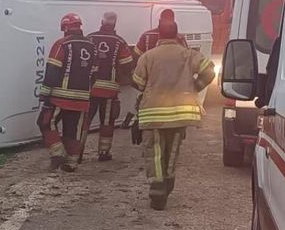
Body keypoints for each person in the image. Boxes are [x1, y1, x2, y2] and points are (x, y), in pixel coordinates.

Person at [132, 20, 215, 210]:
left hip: (153, 112)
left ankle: (157, 188)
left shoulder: (148, 56)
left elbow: (138, 81)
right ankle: (168, 183)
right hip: (180, 112)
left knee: (155, 150)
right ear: (177, 35)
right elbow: (209, 71)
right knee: (173, 149)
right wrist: (196, 86)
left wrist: (149, 87)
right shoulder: (188, 55)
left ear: (159, 35)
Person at [37, 13, 97, 172]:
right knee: (73, 130)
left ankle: (58, 153)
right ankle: (71, 163)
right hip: (83, 99)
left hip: (59, 97)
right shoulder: (92, 46)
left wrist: (44, 93)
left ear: (65, 27)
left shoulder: (62, 44)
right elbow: (95, 72)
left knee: (45, 122)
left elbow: (52, 70)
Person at [84, 12, 134, 161]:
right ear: (115, 24)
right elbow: (127, 64)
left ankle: (77, 153)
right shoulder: (120, 42)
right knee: (107, 122)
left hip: (90, 90)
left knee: (84, 122)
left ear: (101, 21)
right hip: (109, 91)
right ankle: (104, 153)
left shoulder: (90, 38)